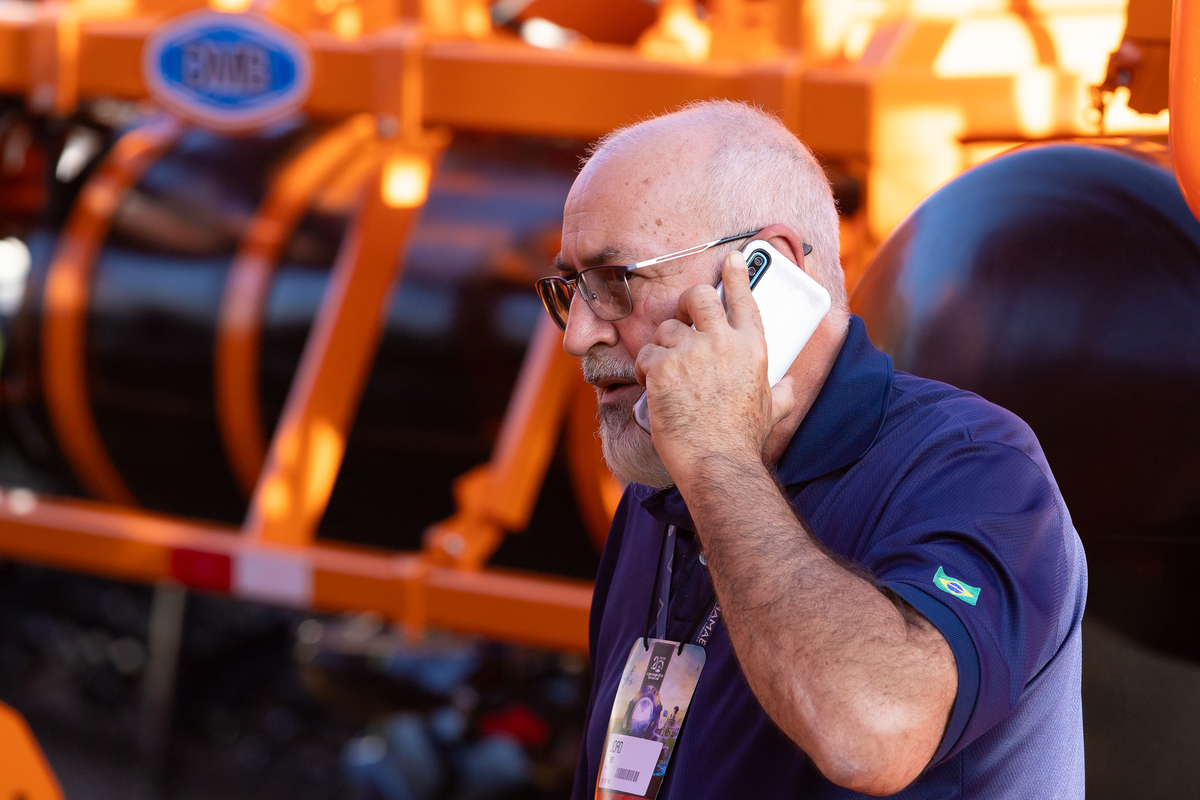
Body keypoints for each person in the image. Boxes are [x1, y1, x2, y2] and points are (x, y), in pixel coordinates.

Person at [535, 101, 1086, 798]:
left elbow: (873, 733)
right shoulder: (661, 490)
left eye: (616, 283)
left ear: (769, 274)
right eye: (570, 289)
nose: (578, 335)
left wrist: (718, 463)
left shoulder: (973, 465)